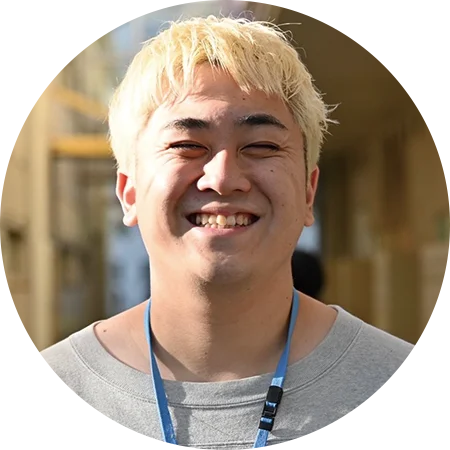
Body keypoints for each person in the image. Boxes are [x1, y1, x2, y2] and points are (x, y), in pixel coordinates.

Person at [38, 16, 438, 449]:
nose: (223, 178)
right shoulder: (42, 409)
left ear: (308, 191)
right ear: (129, 193)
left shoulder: (416, 404)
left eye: (261, 145)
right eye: (187, 146)